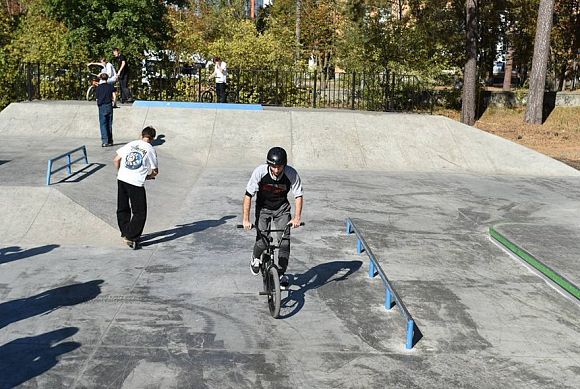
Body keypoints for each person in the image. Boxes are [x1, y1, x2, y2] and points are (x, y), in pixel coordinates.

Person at [242, 147, 303, 287]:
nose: (276, 170)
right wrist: (246, 219)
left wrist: (297, 217)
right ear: (268, 164)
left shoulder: (291, 173)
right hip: (263, 209)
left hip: (282, 209)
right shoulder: (260, 172)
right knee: (263, 241)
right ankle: (255, 257)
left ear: (284, 165)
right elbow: (248, 195)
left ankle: (280, 275)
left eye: (279, 166)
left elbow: (298, 195)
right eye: (273, 166)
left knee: (285, 243)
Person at [113, 126, 159, 249]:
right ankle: (131, 235)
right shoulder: (150, 149)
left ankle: (125, 231)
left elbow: (116, 160)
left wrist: (120, 173)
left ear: (141, 135)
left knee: (122, 207)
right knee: (140, 212)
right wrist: (149, 176)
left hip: (122, 178)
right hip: (136, 183)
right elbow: (155, 171)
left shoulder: (131, 144)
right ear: (153, 138)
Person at [95, 73, 116, 147]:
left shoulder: (98, 87)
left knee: (103, 124)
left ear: (101, 79)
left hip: (102, 106)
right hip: (109, 105)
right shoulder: (110, 86)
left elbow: (97, 98)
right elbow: (114, 96)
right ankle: (110, 141)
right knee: (109, 123)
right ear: (107, 79)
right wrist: (114, 103)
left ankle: (105, 141)